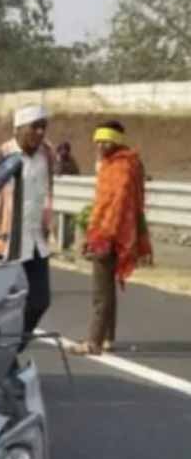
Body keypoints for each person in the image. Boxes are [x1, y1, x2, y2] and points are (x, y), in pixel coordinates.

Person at [70, 121, 153, 356]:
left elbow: (114, 206)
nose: (100, 145)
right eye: (97, 141)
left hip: (109, 233)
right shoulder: (129, 163)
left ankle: (93, 342)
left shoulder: (119, 168)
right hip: (122, 233)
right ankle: (108, 337)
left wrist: (101, 234)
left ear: (117, 141)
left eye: (105, 141)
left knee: (101, 293)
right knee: (107, 289)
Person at [0, 104, 55, 339]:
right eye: (35, 127)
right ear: (18, 129)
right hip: (7, 243)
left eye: (43, 127)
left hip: (36, 240)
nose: (40, 133)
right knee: (2, 305)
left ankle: (13, 346)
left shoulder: (46, 154)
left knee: (39, 301)